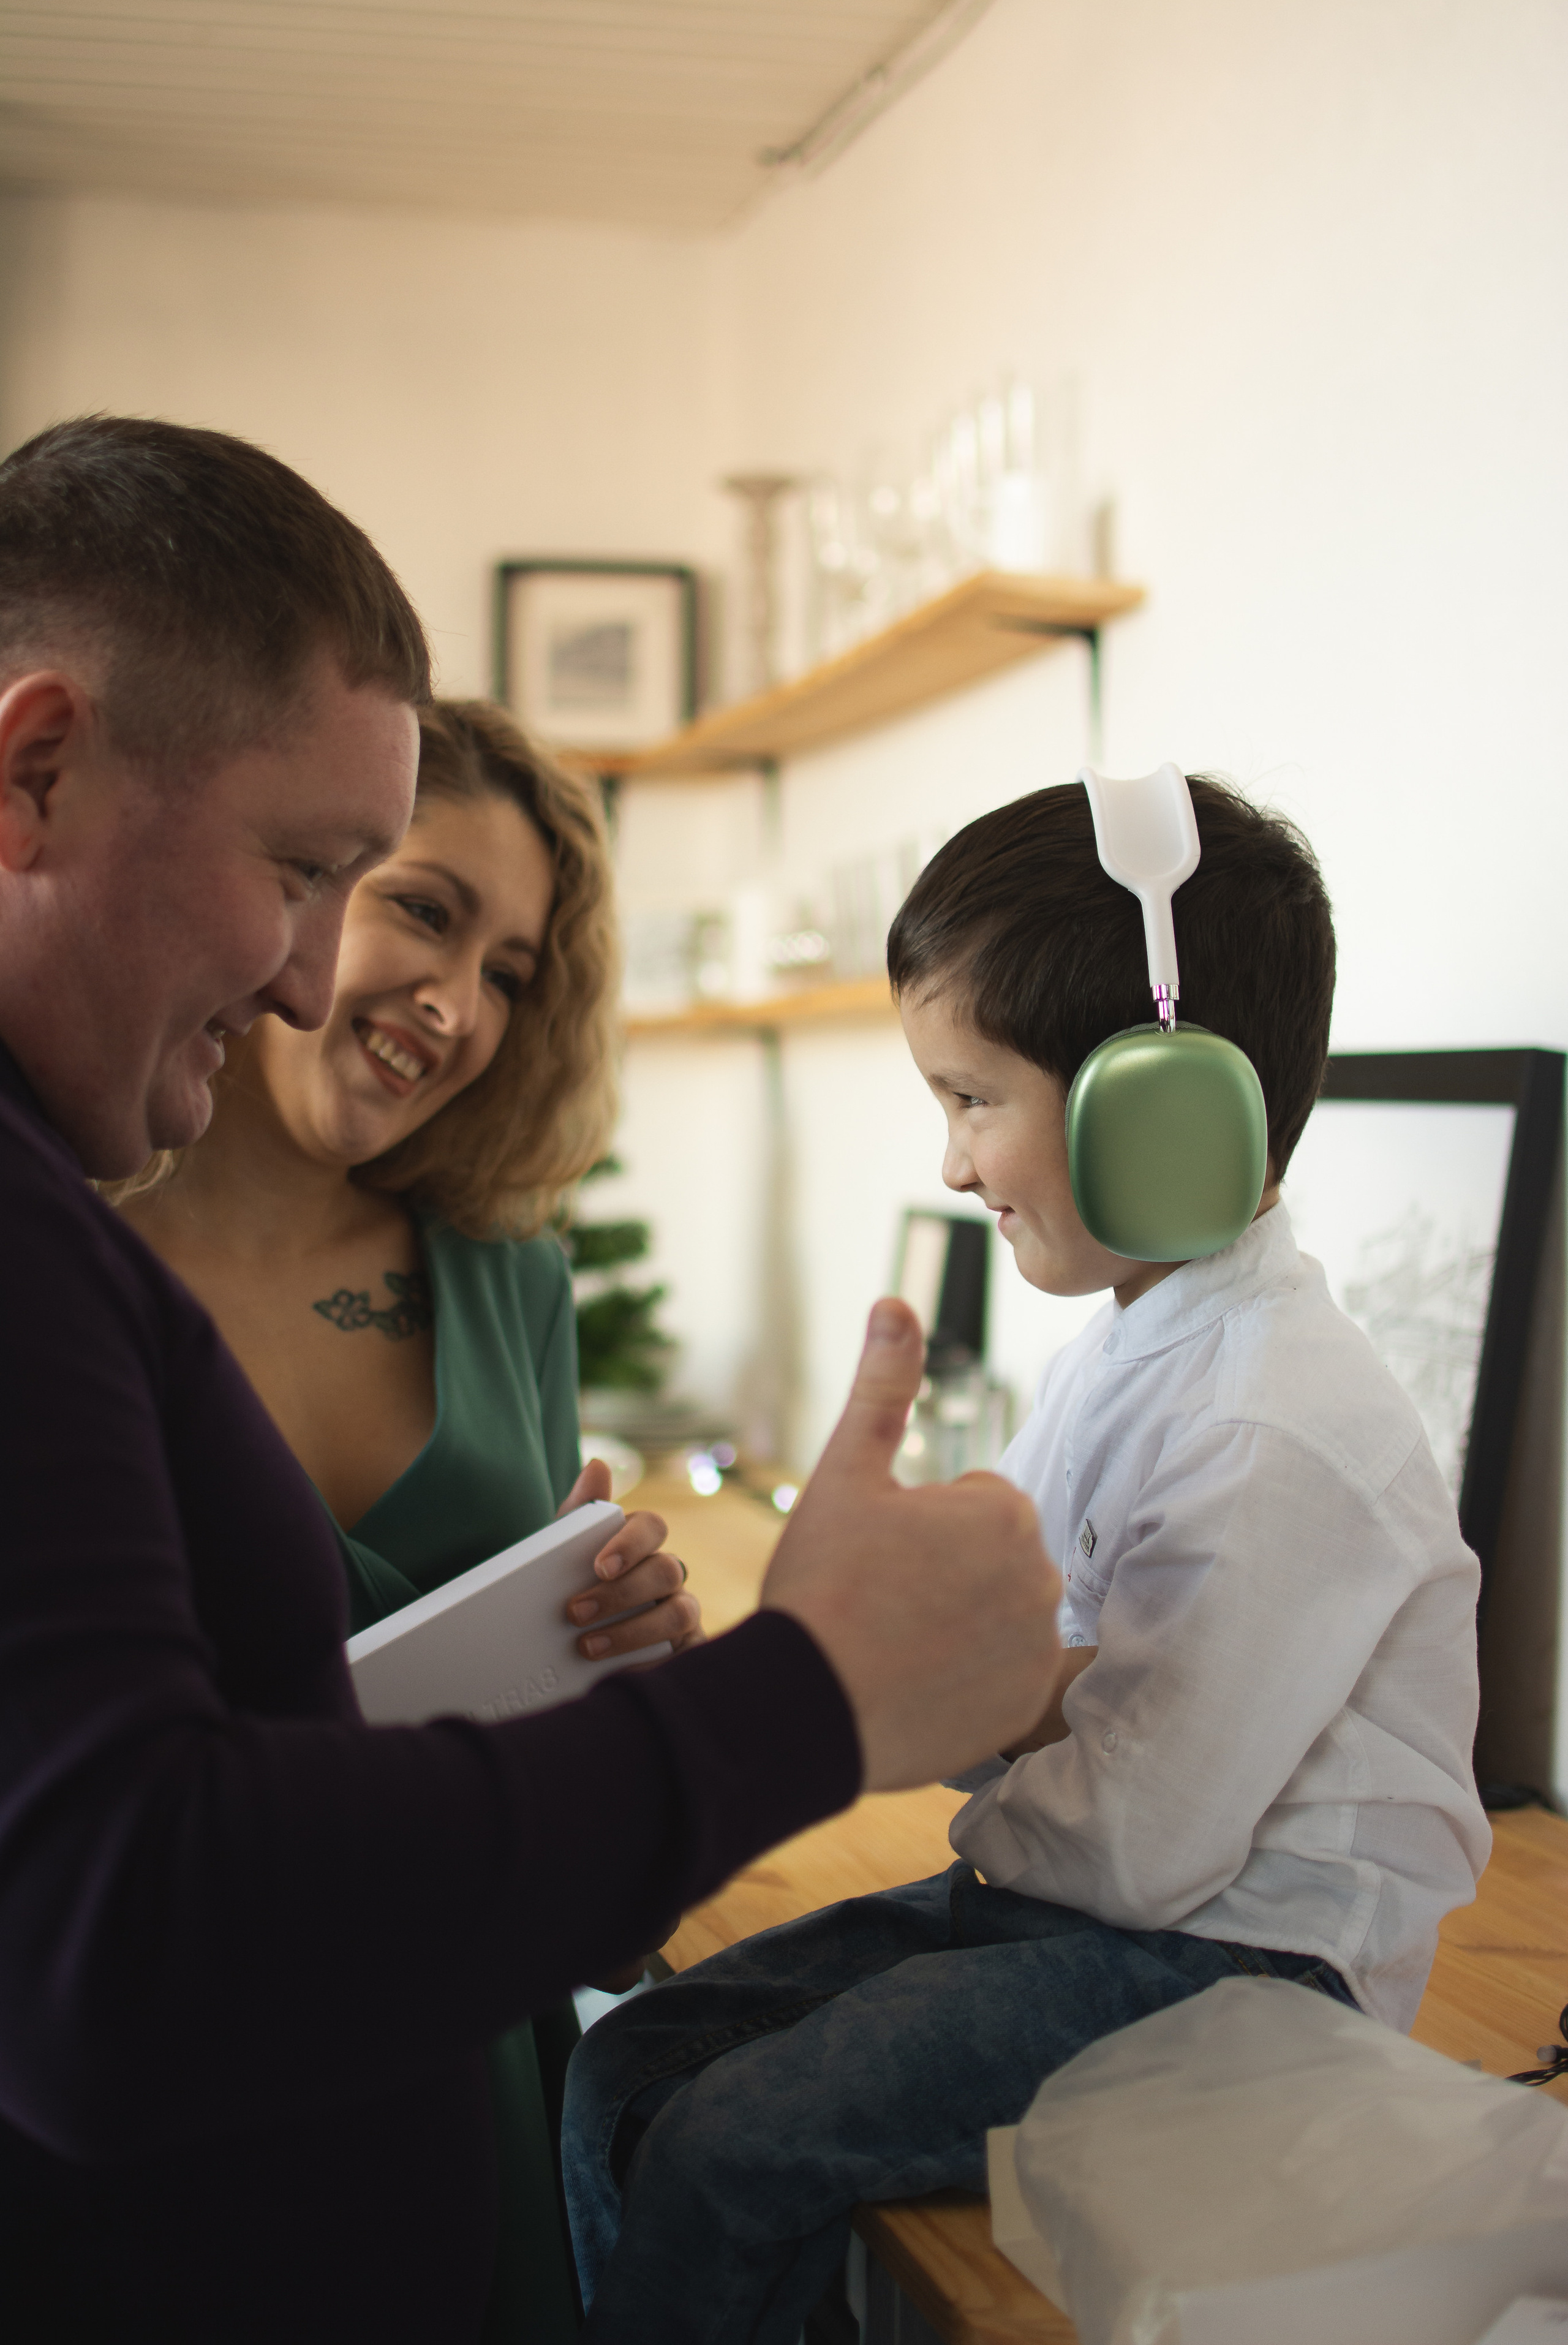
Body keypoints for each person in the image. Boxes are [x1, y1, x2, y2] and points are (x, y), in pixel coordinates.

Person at [0, 415, 1062, 2345]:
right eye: (319, 873)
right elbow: (120, 1946)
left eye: (510, 966)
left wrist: (591, 1673)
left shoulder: (424, 1265)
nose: (337, 986)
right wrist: (801, 1695)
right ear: (38, 769)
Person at [562, 778, 1493, 2344]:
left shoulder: (1280, 1425)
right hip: (1083, 1902)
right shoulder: (1131, 1348)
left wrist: (947, 1707)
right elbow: (1010, 1641)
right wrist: (803, 1659)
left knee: (735, 2146)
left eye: (968, 1098)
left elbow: (1137, 1842)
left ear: (1160, 1105)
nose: (948, 1163)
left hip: (1239, 1970)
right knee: (624, 2060)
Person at [114, 694, 699, 2341]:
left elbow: (603, 1884)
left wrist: (622, 1682)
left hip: (464, 2092)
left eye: (513, 971)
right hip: (156, 2116)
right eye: (425, 912)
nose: (453, 1008)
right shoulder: (66, 1257)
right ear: (298, 887)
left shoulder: (511, 1282)